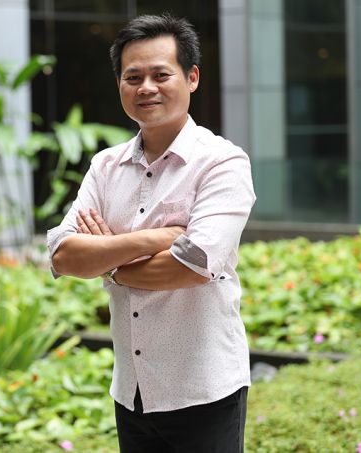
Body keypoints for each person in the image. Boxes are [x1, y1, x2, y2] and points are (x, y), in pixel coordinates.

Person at [46, 13, 256, 453]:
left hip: (204, 388)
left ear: (191, 78)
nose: (146, 87)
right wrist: (152, 241)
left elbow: (192, 266)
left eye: (161, 75)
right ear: (120, 84)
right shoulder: (105, 167)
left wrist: (108, 260)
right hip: (132, 390)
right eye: (133, 77)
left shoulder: (221, 163)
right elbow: (63, 256)